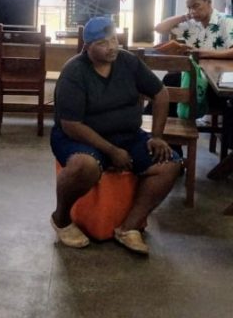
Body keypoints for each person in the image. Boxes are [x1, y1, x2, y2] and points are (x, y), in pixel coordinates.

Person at [50, 17, 182, 255]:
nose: (111, 47)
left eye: (113, 39)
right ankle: (61, 219)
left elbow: (160, 93)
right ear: (87, 47)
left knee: (170, 164)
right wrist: (111, 151)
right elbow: (71, 125)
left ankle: (129, 227)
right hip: (78, 137)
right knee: (85, 166)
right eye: (102, 43)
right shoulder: (74, 72)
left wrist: (157, 136)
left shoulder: (128, 62)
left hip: (127, 135)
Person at [153, 0, 233, 59]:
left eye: (196, 6)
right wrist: (184, 17)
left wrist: (201, 53)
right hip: (192, 72)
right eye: (189, 8)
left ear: (209, 2)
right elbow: (159, 28)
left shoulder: (226, 20)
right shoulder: (190, 23)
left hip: (216, 72)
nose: (192, 11)